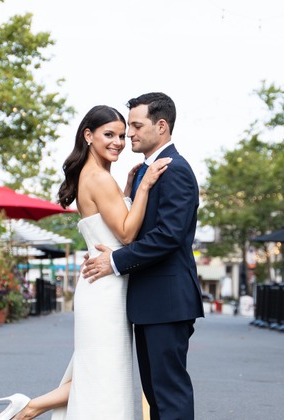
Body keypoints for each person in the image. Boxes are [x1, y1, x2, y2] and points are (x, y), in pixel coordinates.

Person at [0, 104, 171, 420]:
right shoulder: (99, 178)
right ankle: (29, 407)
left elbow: (111, 221)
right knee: (104, 374)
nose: (118, 141)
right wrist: (144, 187)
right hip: (105, 290)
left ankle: (28, 408)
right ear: (88, 135)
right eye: (108, 134)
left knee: (98, 372)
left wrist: (128, 190)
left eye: (120, 134)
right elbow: (127, 234)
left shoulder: (97, 176)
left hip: (102, 285)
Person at [82, 92, 204, 420]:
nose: (129, 135)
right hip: (148, 302)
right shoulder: (144, 172)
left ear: (161, 126)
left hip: (167, 302)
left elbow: (168, 237)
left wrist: (116, 260)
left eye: (136, 126)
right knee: (154, 394)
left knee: (169, 394)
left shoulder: (175, 169)